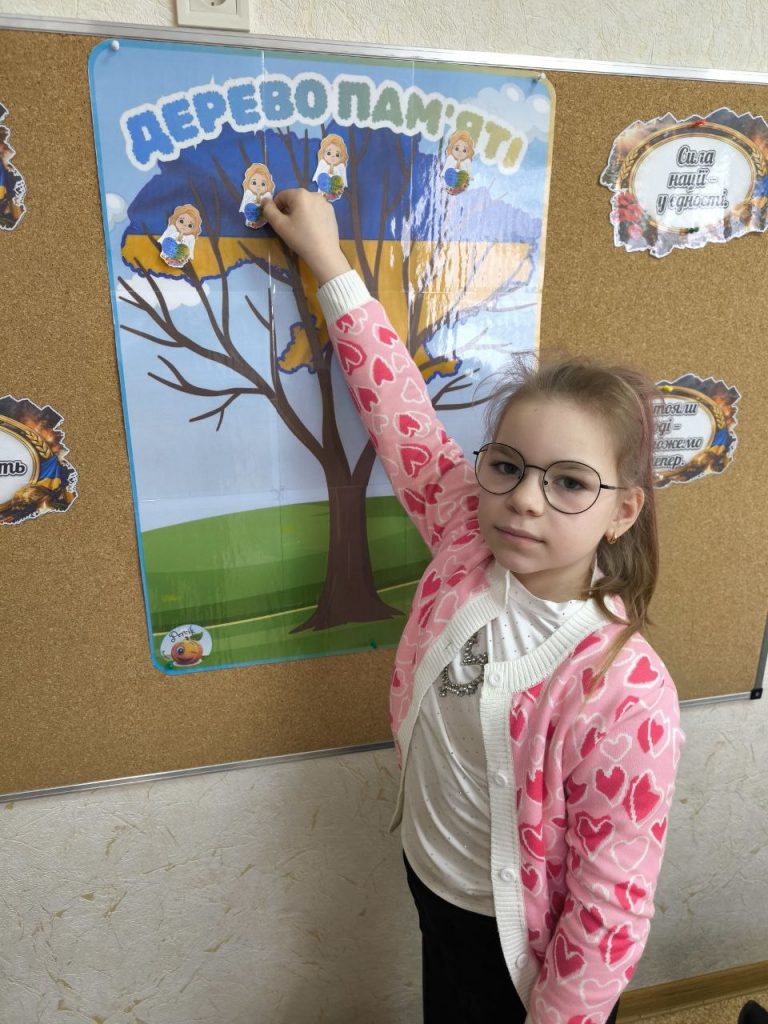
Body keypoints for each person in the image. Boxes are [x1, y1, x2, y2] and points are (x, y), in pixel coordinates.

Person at [261, 188, 686, 1024]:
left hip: (521, 946)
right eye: (508, 467)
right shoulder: (467, 533)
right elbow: (403, 416)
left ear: (623, 511)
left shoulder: (626, 693)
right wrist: (328, 260)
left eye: (570, 482)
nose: (524, 498)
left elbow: (608, 912)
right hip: (432, 879)